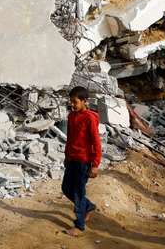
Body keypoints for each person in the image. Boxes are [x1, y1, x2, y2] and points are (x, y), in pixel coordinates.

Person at [61, 86, 101, 237]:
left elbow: (96, 143)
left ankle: (79, 226)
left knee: (78, 193)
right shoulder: (71, 116)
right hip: (72, 159)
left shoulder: (89, 118)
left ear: (84, 101)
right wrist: (66, 156)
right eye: (71, 101)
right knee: (66, 188)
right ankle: (88, 206)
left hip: (83, 161)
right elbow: (70, 138)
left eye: (75, 102)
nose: (72, 104)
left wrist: (95, 165)